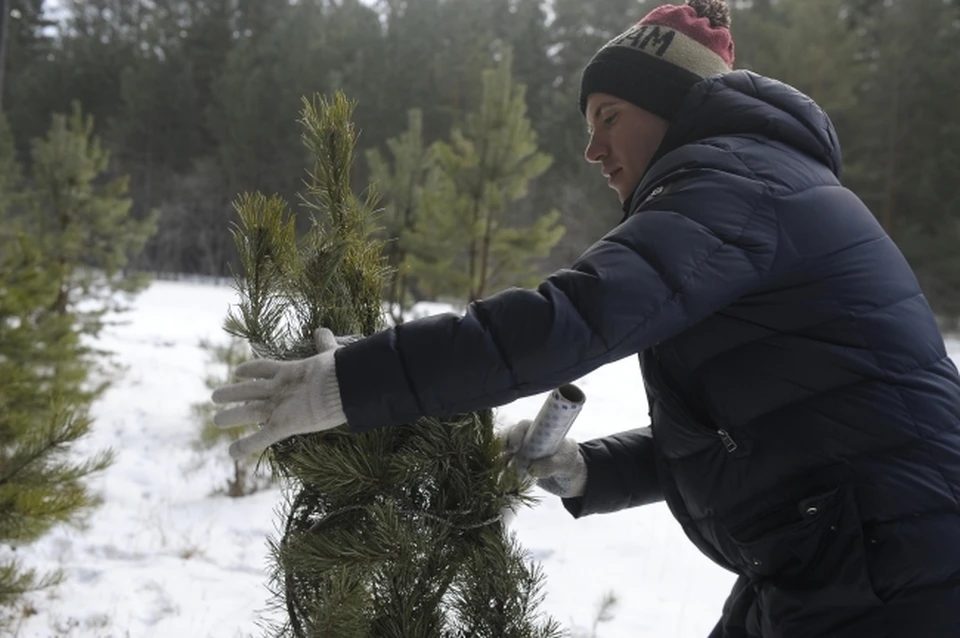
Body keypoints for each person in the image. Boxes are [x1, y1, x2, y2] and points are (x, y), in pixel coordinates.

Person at [211, 0, 960, 635]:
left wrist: (352, 379)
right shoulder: (752, 185)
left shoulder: (736, 181)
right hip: (844, 551)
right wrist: (590, 469)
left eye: (610, 116)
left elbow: (569, 319)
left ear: (674, 109)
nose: (592, 148)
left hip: (897, 567)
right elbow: (766, 429)